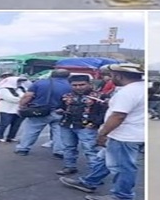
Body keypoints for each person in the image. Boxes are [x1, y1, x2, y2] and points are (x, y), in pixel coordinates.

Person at [59, 63, 144, 200]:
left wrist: (102, 133)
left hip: (124, 136)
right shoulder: (140, 88)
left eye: (111, 76)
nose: (110, 78)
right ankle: (89, 182)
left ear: (118, 75)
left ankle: (122, 196)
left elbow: (118, 116)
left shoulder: (128, 92)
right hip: (126, 133)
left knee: (123, 167)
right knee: (103, 160)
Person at [56, 73, 108, 177]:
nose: (78, 87)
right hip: (67, 125)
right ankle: (69, 166)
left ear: (89, 84)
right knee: (68, 147)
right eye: (75, 85)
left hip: (87, 127)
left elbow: (105, 113)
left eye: (82, 84)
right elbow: (60, 107)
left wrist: (95, 123)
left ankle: (95, 174)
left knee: (90, 150)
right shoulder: (66, 96)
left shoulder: (100, 96)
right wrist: (60, 111)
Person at [15, 69, 70, 156]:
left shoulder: (40, 83)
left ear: (51, 75)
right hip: (60, 112)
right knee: (59, 132)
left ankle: (23, 148)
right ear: (67, 76)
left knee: (31, 130)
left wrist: (21, 106)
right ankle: (59, 151)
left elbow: (28, 96)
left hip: (39, 111)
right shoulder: (70, 85)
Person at [0, 75, 26, 143]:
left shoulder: (20, 89)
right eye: (18, 82)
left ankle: (11, 137)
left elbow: (25, 96)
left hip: (17, 110)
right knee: (4, 124)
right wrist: (22, 100)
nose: (19, 83)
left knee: (16, 124)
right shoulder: (3, 89)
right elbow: (11, 98)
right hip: (6, 109)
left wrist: (23, 99)